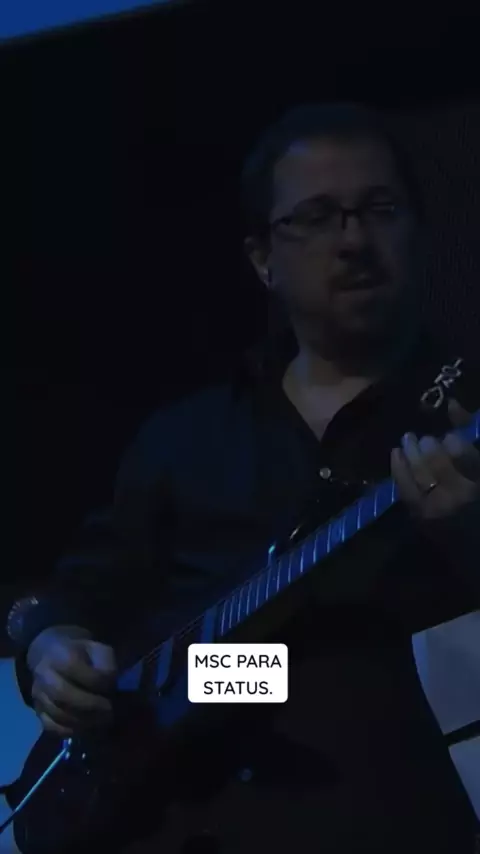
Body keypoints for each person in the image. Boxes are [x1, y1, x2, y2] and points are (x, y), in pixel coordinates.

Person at [7, 103, 480, 854]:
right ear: (263, 259)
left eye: (379, 209)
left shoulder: (462, 414)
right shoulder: (186, 436)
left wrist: (469, 537)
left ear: (419, 231)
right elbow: (73, 598)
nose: (354, 239)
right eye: (317, 217)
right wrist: (48, 646)